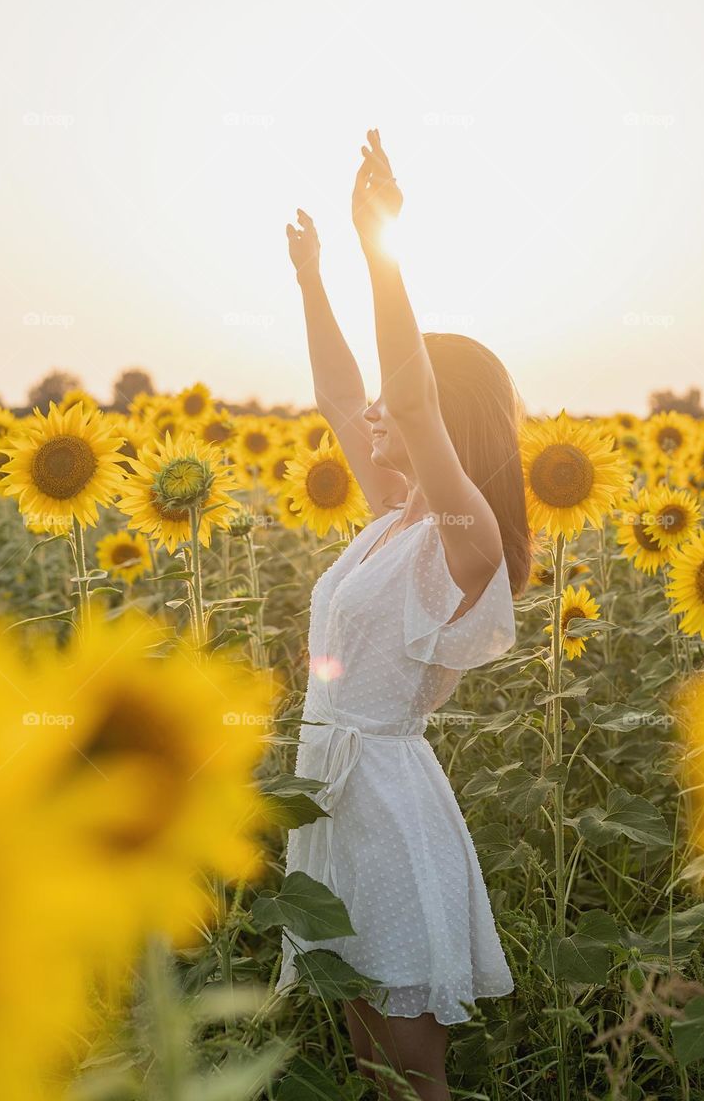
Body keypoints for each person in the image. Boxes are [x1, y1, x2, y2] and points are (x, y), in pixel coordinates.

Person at [277, 130, 533, 1099]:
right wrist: (312, 279)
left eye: (404, 399)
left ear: (446, 421)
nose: (375, 413)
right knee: (365, 1059)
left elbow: (411, 405)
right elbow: (343, 393)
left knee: (412, 1074)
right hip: (330, 803)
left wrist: (378, 246)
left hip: (384, 809)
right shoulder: (393, 523)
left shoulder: (461, 540)